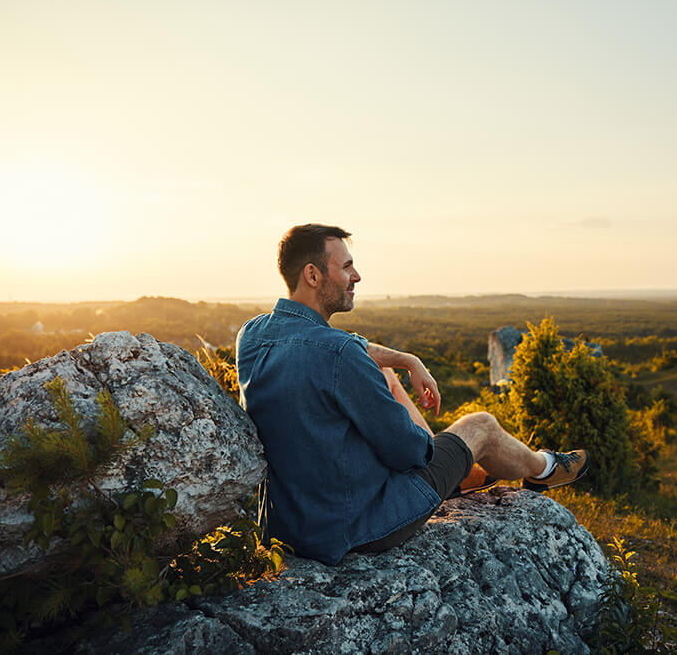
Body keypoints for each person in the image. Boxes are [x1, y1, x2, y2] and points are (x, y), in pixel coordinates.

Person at [236, 223, 589, 565]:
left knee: (384, 373)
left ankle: (467, 474)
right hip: (355, 526)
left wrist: (406, 360)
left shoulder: (251, 336)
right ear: (313, 276)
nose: (356, 276)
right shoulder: (339, 355)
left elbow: (345, 348)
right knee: (479, 425)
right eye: (346, 267)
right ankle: (544, 468)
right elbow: (411, 454)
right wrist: (430, 444)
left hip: (285, 527)